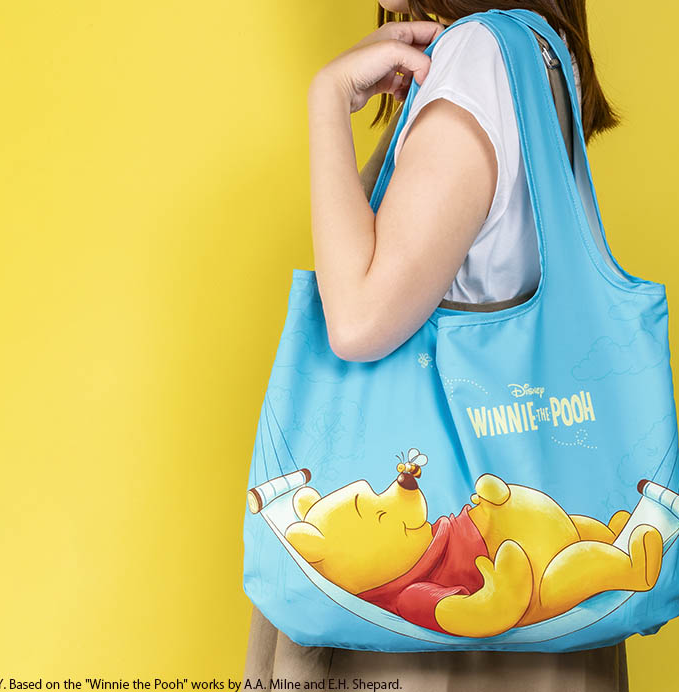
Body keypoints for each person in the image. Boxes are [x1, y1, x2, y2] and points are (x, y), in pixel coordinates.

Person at [245, 1, 630, 689]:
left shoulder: (480, 57)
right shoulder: (539, 51)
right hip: (522, 606)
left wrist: (327, 100)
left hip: (425, 631)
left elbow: (359, 321)